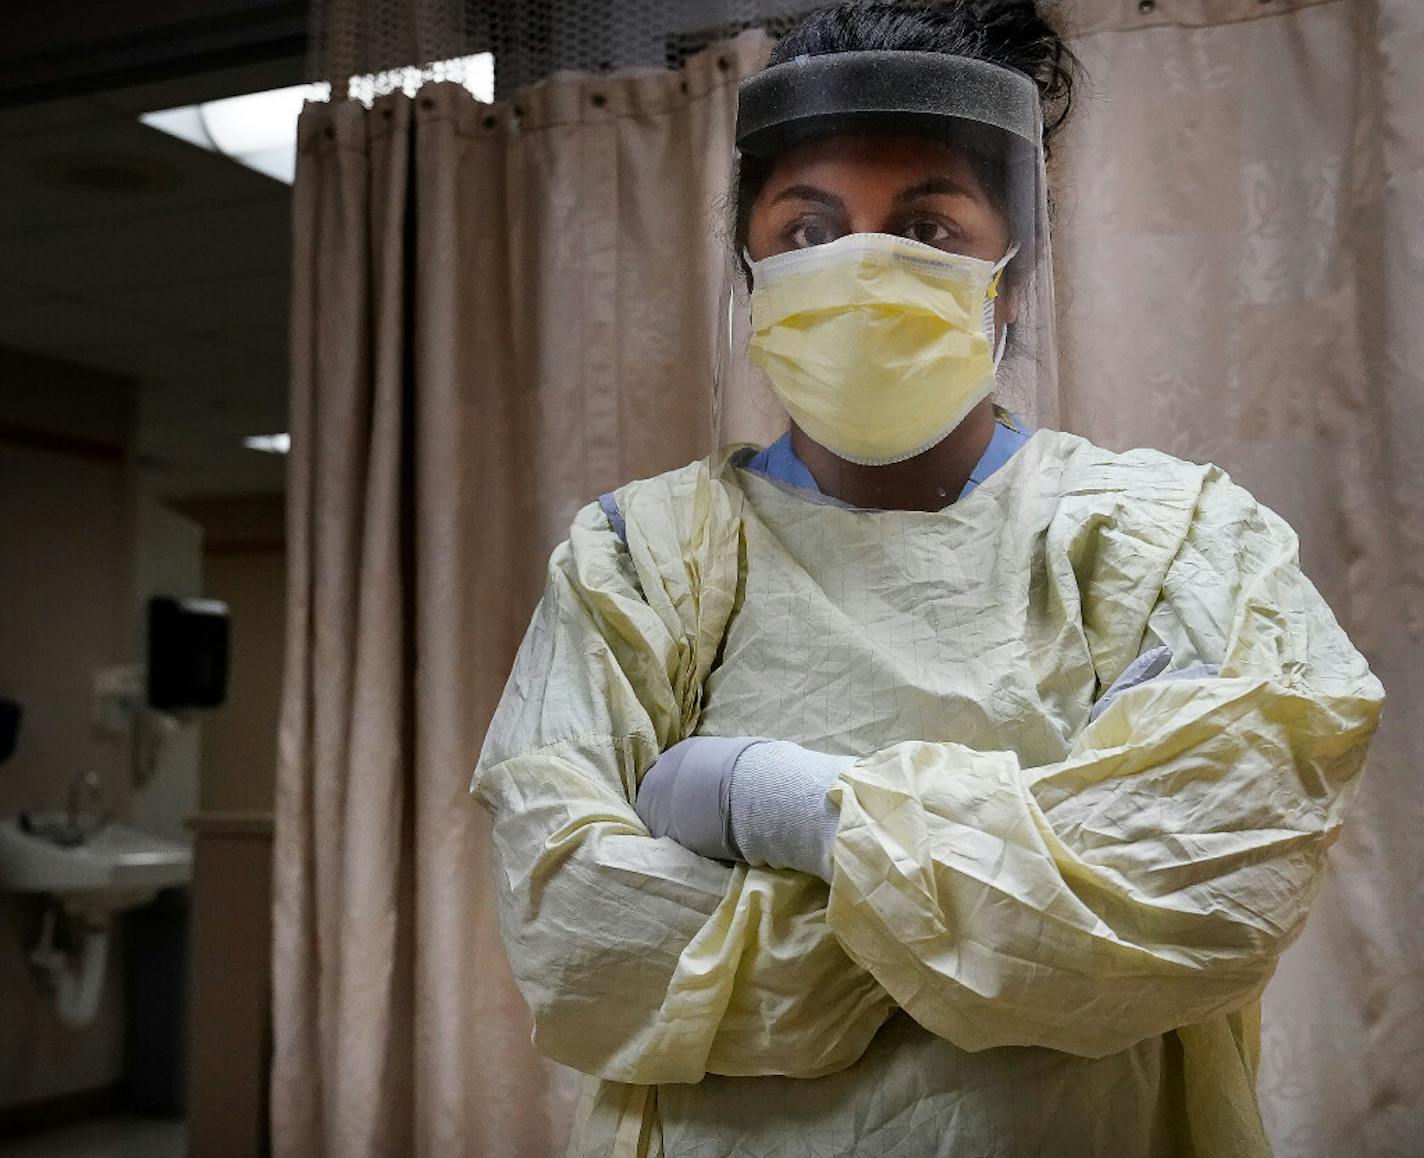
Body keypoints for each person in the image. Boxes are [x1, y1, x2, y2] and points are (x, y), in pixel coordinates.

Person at [470, 3, 1385, 1156]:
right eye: (805, 227)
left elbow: (1198, 906)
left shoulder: (1171, 544)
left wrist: (775, 805)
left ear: (1009, 275)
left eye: (927, 228)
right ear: (750, 269)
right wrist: (1012, 917)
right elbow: (578, 939)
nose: (853, 270)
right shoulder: (639, 556)